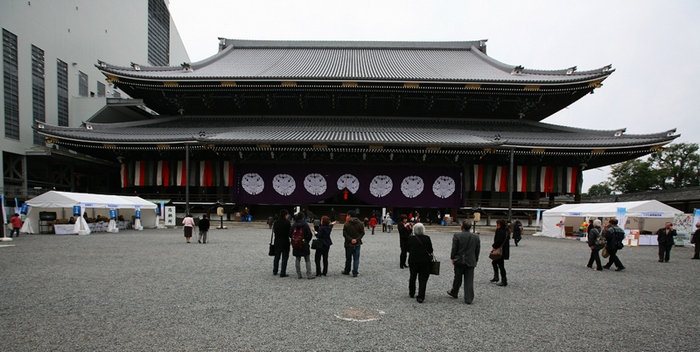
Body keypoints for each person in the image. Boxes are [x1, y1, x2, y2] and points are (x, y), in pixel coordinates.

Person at [447, 220, 480, 304]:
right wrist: (476, 259)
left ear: (462, 227)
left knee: (457, 277)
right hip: (471, 259)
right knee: (469, 279)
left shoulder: (457, 235)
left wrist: (452, 257)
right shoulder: (476, 237)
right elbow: (477, 249)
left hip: (459, 259)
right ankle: (468, 298)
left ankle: (454, 291)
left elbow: (454, 248)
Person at [407, 223, 433, 303]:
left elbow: (407, 249)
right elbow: (430, 250)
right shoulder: (427, 238)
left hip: (413, 260)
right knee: (423, 279)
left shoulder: (411, 238)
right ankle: (421, 296)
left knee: (413, 276)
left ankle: (412, 292)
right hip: (424, 261)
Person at [290, 212, 315, 280]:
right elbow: (309, 234)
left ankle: (299, 274)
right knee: (307, 259)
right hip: (304, 243)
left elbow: (290, 234)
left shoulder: (294, 225)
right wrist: (306, 240)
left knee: (297, 259)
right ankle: (309, 274)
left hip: (296, 243)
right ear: (303, 218)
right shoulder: (305, 225)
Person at [342, 210, 364, 277]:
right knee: (356, 258)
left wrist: (350, 239)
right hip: (357, 243)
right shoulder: (360, 223)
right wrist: (356, 239)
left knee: (348, 258)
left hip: (349, 243)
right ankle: (355, 272)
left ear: (349, 215)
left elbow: (344, 233)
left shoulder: (346, 223)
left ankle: (347, 270)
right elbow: (362, 233)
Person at [491, 219, 510, 286]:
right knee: (496, 263)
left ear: (499, 224)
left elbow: (498, 241)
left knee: (500, 265)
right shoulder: (507, 231)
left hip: (499, 250)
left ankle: (503, 280)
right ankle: (497, 277)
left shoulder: (499, 231)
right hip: (504, 250)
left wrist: (494, 246)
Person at [272, 209, 291, 277]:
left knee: (277, 257)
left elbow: (274, 231)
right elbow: (289, 233)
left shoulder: (276, 222)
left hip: (277, 241)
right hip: (285, 241)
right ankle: (283, 272)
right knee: (284, 257)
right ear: (285, 215)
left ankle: (275, 270)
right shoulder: (287, 223)